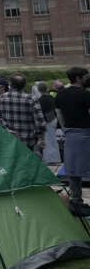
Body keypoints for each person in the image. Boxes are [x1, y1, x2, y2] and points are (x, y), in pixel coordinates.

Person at [55, 66, 90, 217]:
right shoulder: (85, 94)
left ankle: (76, 201)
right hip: (85, 134)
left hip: (69, 135)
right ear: (78, 78)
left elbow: (58, 114)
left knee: (73, 170)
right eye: (86, 76)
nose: (87, 78)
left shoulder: (61, 95)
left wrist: (66, 129)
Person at [0, 74, 46, 153]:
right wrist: (40, 137)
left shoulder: (1, 97)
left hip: (8, 139)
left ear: (10, 84)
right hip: (28, 140)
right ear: (24, 85)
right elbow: (40, 121)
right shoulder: (31, 99)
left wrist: (6, 129)